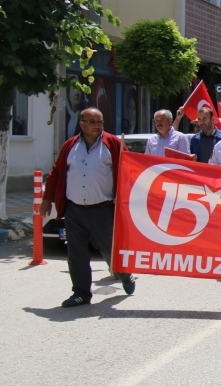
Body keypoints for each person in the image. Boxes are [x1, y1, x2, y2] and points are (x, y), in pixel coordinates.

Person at [40, 108, 135, 307]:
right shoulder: (70, 146)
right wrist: (47, 199)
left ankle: (125, 275)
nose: (98, 125)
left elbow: (129, 172)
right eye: (92, 122)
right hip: (74, 210)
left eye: (100, 121)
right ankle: (81, 292)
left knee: (111, 249)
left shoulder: (113, 144)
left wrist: (124, 197)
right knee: (76, 253)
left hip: (103, 209)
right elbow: (56, 173)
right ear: (82, 124)